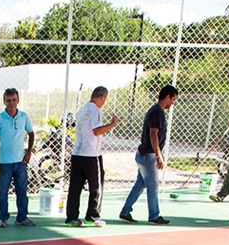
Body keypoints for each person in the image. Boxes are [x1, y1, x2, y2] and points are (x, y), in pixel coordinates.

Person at [119, 84, 177, 225]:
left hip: (144, 154)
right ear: (167, 97)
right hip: (148, 155)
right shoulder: (157, 112)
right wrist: (158, 155)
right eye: (173, 99)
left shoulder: (156, 111)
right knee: (153, 186)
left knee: (141, 184)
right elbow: (153, 134)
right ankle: (154, 215)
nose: (173, 103)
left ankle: (125, 211)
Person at [64, 86, 119, 227]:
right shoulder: (95, 110)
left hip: (77, 153)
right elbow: (96, 131)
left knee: (75, 187)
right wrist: (112, 124)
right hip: (91, 154)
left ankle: (71, 218)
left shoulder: (82, 109)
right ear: (102, 97)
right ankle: (92, 216)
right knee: (96, 186)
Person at [0, 88, 36, 228]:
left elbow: (31, 134)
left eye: (14, 100)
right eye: (8, 100)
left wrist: (28, 154)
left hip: (20, 163)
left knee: (22, 191)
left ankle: (22, 217)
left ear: (18, 100)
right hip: (4, 164)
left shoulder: (24, 117)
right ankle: (3, 218)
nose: (11, 103)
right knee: (3, 192)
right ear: (4, 101)